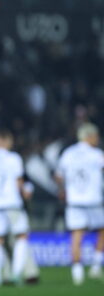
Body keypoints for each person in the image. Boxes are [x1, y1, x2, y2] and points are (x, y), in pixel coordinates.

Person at [0, 129, 34, 287]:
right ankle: (17, 274)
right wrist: (24, 193)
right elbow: (19, 182)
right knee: (21, 236)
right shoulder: (13, 158)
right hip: (12, 204)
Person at [55, 122, 104, 285]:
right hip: (93, 199)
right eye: (96, 136)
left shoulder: (68, 153)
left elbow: (58, 176)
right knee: (102, 230)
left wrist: (63, 190)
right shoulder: (97, 154)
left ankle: (77, 273)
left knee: (77, 235)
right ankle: (96, 266)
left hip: (74, 200)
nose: (97, 139)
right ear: (89, 136)